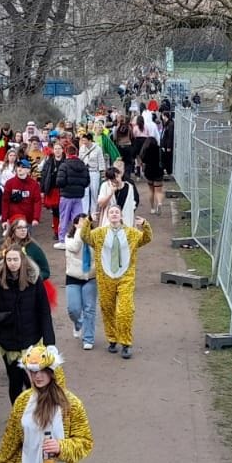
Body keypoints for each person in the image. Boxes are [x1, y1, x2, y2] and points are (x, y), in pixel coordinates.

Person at [0, 245, 58, 404]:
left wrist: (49, 342)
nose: (12, 263)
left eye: (15, 259)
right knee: (15, 381)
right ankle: (18, 416)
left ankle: (38, 413)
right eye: (8, 259)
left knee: (33, 380)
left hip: (31, 340)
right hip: (8, 342)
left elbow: (44, 311)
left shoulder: (34, 280)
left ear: (22, 260)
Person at [77, 206, 153, 360]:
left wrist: (145, 224)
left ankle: (126, 343)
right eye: (111, 212)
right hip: (105, 276)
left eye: (116, 212)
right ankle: (112, 339)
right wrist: (89, 221)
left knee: (125, 310)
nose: (113, 214)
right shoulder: (99, 233)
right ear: (107, 216)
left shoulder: (131, 233)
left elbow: (146, 238)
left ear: (121, 216)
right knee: (107, 309)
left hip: (125, 276)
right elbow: (85, 237)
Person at [61, 213, 97, 351]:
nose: (83, 224)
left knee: (89, 309)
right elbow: (76, 247)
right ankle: (78, 323)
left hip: (91, 276)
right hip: (73, 277)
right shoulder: (69, 238)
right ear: (75, 225)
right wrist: (81, 230)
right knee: (73, 309)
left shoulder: (94, 236)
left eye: (86, 222)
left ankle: (88, 338)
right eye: (80, 222)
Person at [53, 145, 91, 245]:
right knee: (78, 218)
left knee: (64, 218)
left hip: (66, 195)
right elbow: (87, 182)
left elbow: (60, 181)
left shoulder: (64, 165)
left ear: (66, 153)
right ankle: (78, 238)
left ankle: (62, 240)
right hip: (79, 196)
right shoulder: (83, 165)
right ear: (76, 153)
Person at [0, 215, 51, 280]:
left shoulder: (33, 247)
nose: (23, 230)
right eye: (19, 227)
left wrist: (33, 278)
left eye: (25, 227)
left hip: (28, 284)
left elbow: (45, 271)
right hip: (5, 282)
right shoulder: (1, 244)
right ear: (13, 229)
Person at [0, 157, 42, 231]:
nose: (20, 168)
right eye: (18, 166)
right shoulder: (9, 183)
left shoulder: (34, 184)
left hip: (27, 220)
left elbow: (37, 202)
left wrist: (36, 218)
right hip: (13, 220)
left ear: (28, 170)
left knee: (26, 242)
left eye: (23, 167)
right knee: (12, 242)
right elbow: (5, 202)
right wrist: (4, 219)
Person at [39, 140, 64, 242]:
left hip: (62, 190)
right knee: (55, 211)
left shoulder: (65, 161)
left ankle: (62, 231)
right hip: (52, 189)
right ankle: (56, 232)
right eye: (56, 149)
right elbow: (44, 175)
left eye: (59, 149)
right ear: (53, 150)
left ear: (63, 150)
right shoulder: (49, 161)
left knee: (62, 211)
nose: (57, 151)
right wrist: (42, 189)